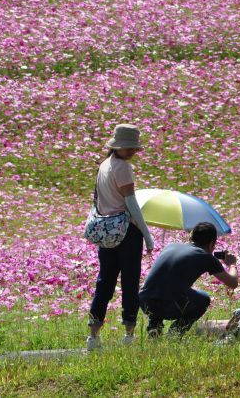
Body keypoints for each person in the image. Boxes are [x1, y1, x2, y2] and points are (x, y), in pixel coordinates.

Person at [86, 124, 155, 351]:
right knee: (129, 283)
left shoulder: (104, 165)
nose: (131, 152)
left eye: (133, 148)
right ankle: (129, 335)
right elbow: (131, 204)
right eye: (128, 148)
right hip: (126, 232)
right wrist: (147, 235)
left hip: (105, 232)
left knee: (104, 282)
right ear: (117, 147)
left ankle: (93, 337)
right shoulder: (123, 167)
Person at [139, 222, 239, 337]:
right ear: (211, 244)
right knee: (203, 298)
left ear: (190, 238)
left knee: (163, 288)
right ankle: (176, 331)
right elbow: (233, 283)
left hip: (145, 301)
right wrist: (232, 264)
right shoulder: (205, 256)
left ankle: (154, 327)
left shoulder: (171, 245)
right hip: (169, 305)